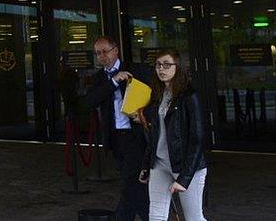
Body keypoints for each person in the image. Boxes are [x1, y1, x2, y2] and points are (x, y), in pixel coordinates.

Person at [137, 50, 208, 221]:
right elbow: (154, 136)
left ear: (178, 67)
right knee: (156, 216)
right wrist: (146, 165)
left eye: (167, 65)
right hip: (160, 164)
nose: (162, 69)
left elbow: (197, 139)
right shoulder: (157, 95)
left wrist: (184, 178)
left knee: (194, 218)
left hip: (186, 166)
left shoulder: (189, 96)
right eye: (158, 65)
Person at [85, 36, 151, 221]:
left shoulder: (136, 70)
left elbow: (153, 96)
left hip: (135, 135)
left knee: (131, 181)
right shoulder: (99, 78)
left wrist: (145, 115)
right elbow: (90, 101)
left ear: (116, 50)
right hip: (115, 137)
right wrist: (113, 82)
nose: (102, 56)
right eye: (98, 53)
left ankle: (147, 217)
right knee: (129, 181)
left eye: (105, 51)